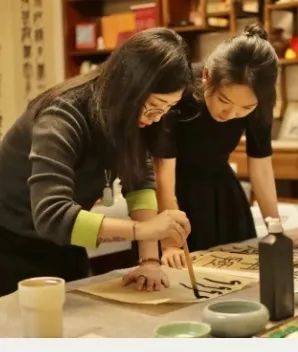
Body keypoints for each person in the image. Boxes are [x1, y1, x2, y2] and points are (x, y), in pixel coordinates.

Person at [0, 29, 193, 295]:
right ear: (129, 87)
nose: (157, 117)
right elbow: (52, 216)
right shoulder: (62, 114)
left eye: (167, 108)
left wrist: (150, 261)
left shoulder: (132, 116)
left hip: (67, 242)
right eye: (153, 105)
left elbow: (140, 182)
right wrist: (143, 230)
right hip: (9, 244)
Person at [151, 26, 283, 256]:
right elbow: (163, 173)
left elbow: (261, 169)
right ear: (206, 76)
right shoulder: (179, 90)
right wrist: (170, 242)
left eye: (245, 108)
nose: (231, 114)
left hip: (223, 196)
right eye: (224, 101)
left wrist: (277, 233)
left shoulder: (261, 101)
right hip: (173, 194)